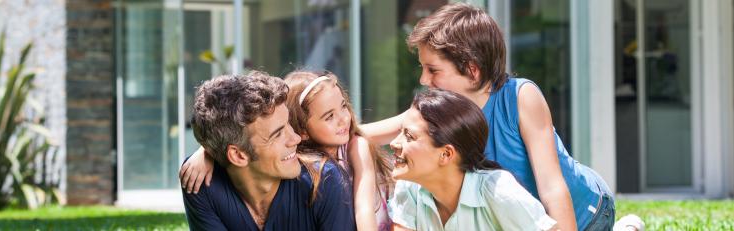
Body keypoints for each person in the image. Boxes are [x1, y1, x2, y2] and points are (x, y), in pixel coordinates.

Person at [361, 3, 623, 230]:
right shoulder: (439, 110)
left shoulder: (520, 98)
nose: (423, 79)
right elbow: (374, 131)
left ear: (472, 71)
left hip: (585, 214)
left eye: (433, 70)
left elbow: (552, 186)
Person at [181, 70, 395, 230]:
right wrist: (207, 150)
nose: (294, 139)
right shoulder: (200, 182)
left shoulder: (327, 178)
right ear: (237, 155)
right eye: (277, 134)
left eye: (289, 125)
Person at [388, 89, 557, 231]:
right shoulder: (409, 187)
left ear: (446, 154)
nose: (394, 143)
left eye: (408, 136)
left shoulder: (499, 190)